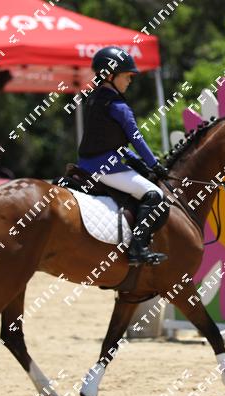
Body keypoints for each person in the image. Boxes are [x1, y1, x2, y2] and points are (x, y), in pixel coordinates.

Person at [77, 46, 170, 266]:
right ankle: (138, 249)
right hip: (105, 168)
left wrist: (135, 161)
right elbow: (136, 139)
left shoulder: (93, 100)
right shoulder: (119, 106)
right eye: (127, 76)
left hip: (85, 163)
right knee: (155, 195)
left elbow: (110, 141)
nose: (130, 80)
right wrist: (154, 165)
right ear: (110, 75)